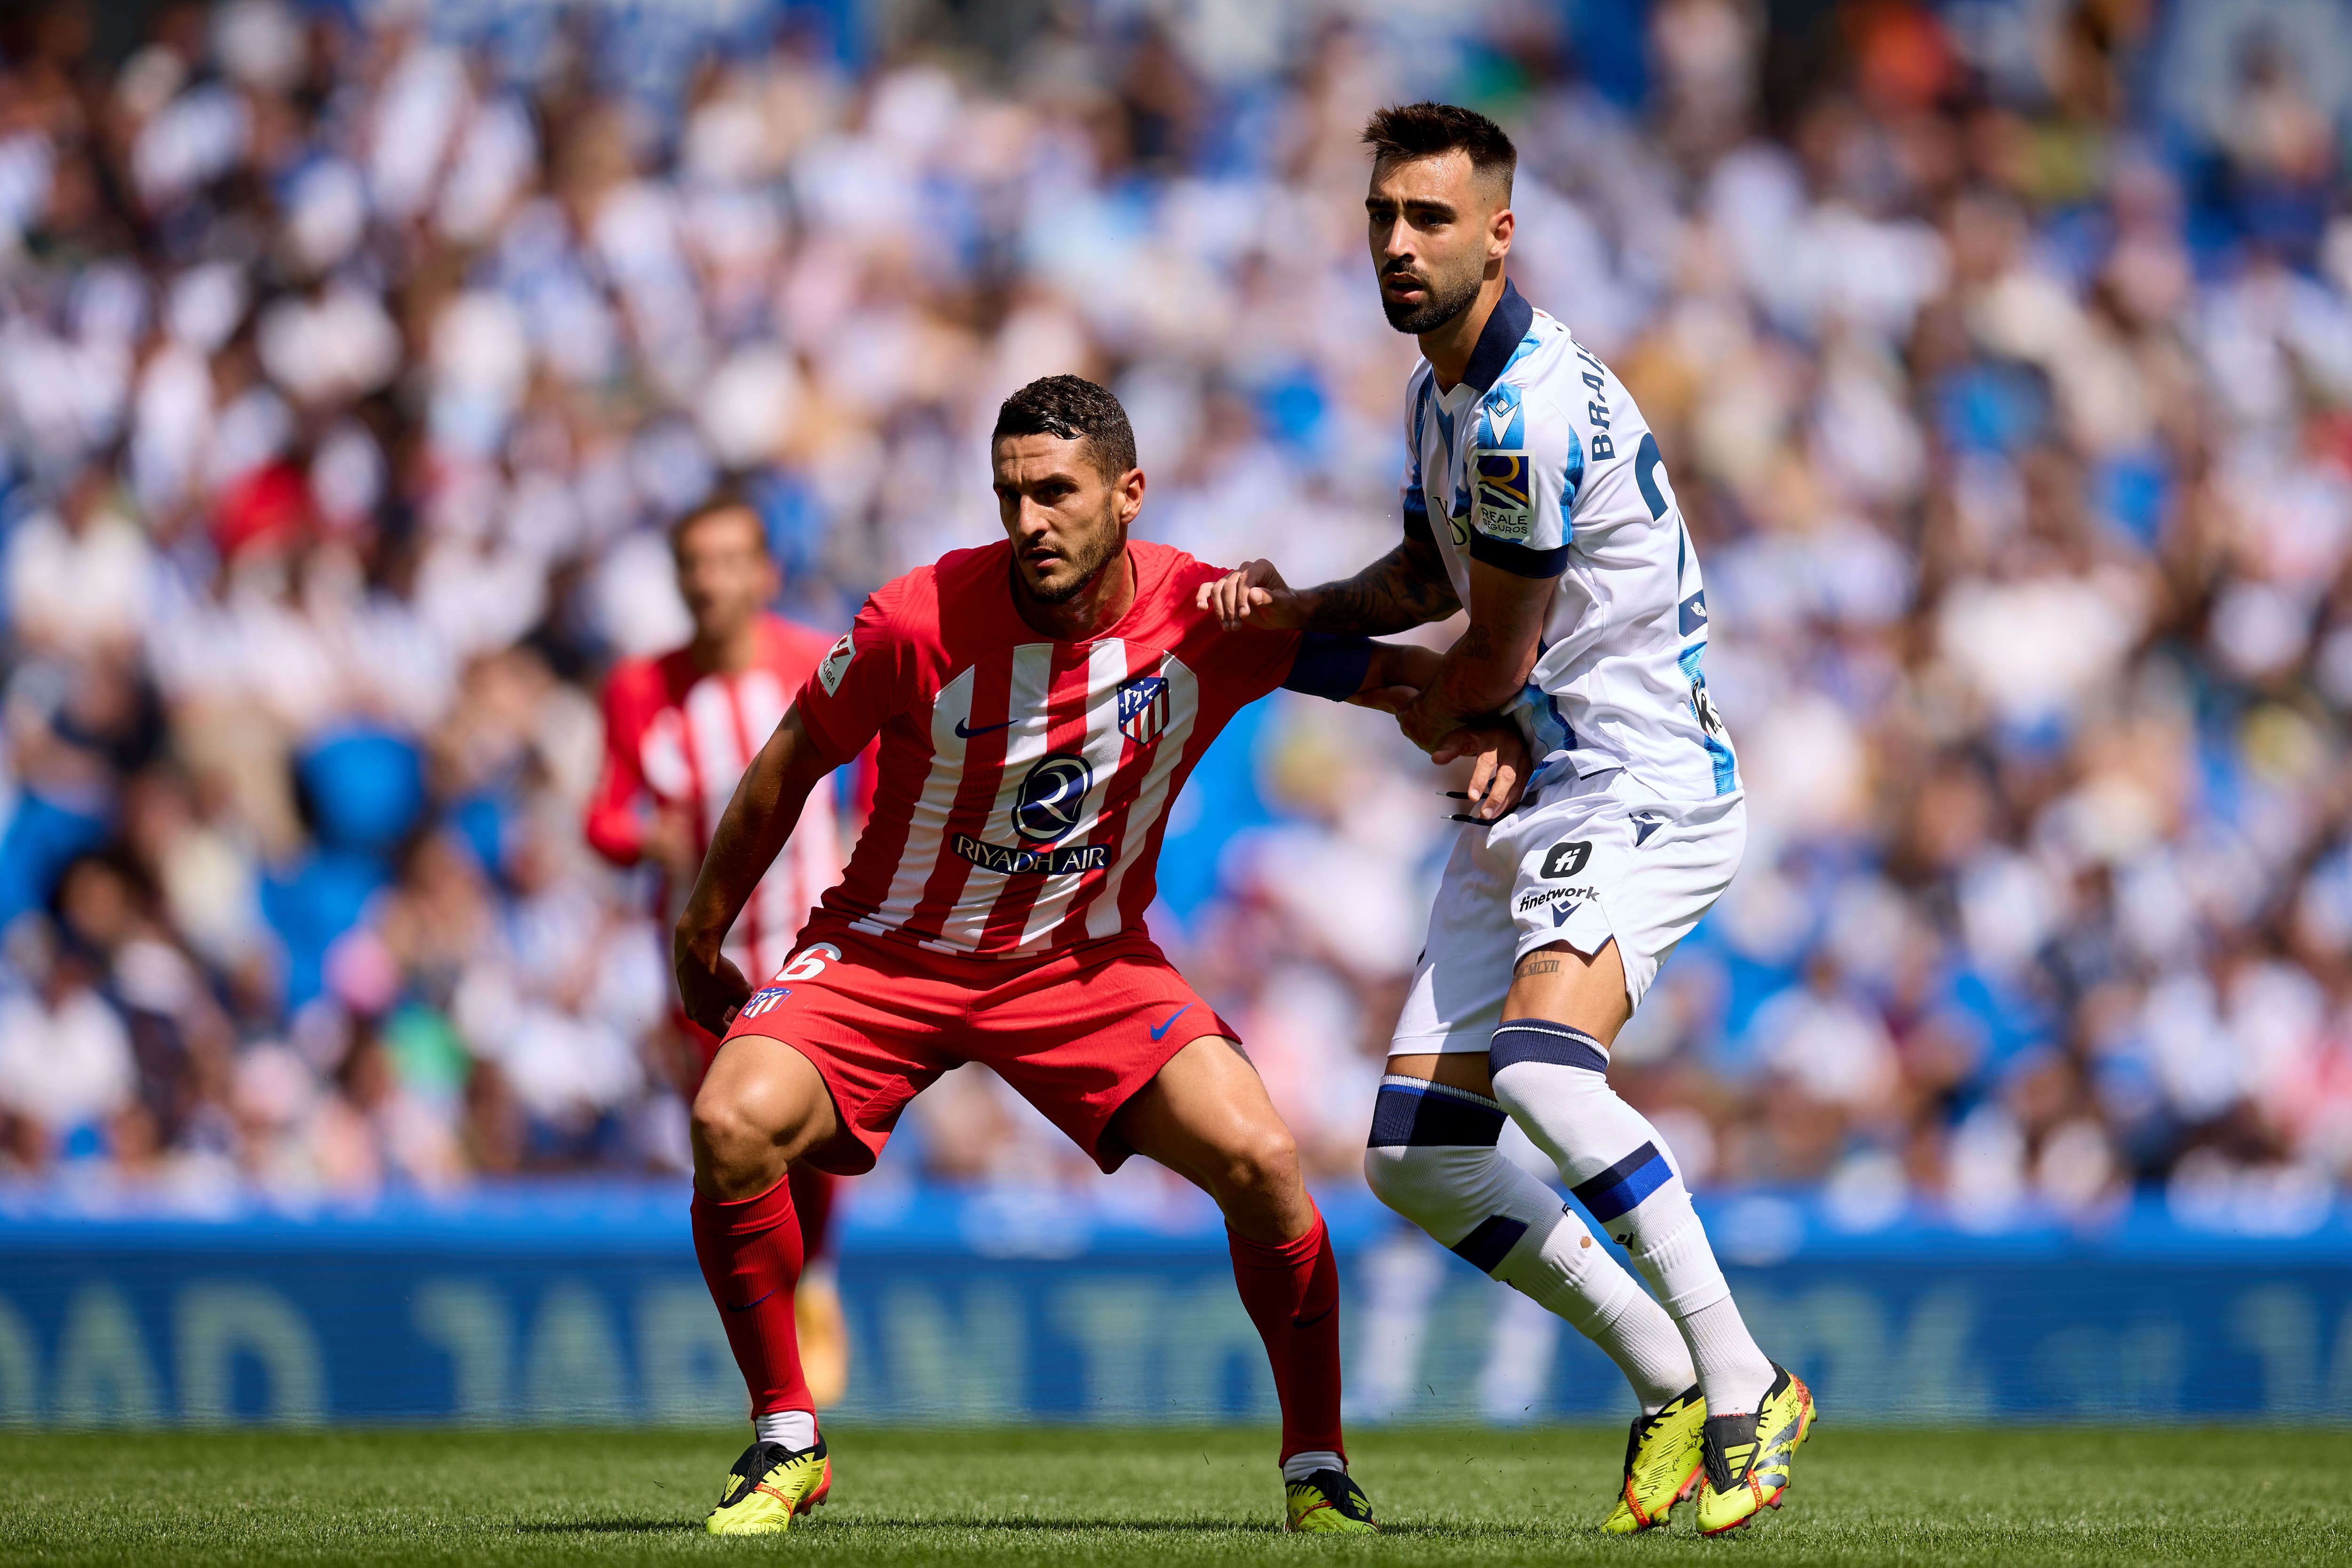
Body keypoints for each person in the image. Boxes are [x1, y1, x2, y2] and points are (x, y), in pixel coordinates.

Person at [670, 374, 1522, 1537]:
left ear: (1127, 493)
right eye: (1010, 493)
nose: (1029, 520)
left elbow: (1391, 676)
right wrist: (701, 925)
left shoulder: (1204, 617)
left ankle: (1316, 1466)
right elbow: (788, 759)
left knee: (1263, 1157)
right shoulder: (917, 619)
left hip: (1082, 965)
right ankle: (785, 1437)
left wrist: (1492, 730)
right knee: (729, 1123)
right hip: (889, 953)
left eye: (1056, 492)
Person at [1200, 103, 1814, 1537]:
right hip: (1547, 772)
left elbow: (1486, 660)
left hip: (1637, 780)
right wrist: (1305, 609)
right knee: (1415, 1151)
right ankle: (1665, 1377)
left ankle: (1747, 1379)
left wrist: (1399, 695)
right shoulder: (1441, 395)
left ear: (1500, 232)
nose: (1400, 244)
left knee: (1541, 1069)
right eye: (1382, 218)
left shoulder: (1531, 403)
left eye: (1429, 218)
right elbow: (1429, 575)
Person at [584, 492, 857, 1405]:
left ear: (763, 572)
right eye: (693, 563)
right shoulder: (640, 688)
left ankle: (809, 1279)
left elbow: (883, 762)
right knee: (729, 1145)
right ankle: (780, 1328)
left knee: (808, 1137)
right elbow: (605, 813)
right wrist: (643, 840)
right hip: (704, 959)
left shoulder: (816, 659)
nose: (710, 580)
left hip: (807, 946)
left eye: (727, 559)